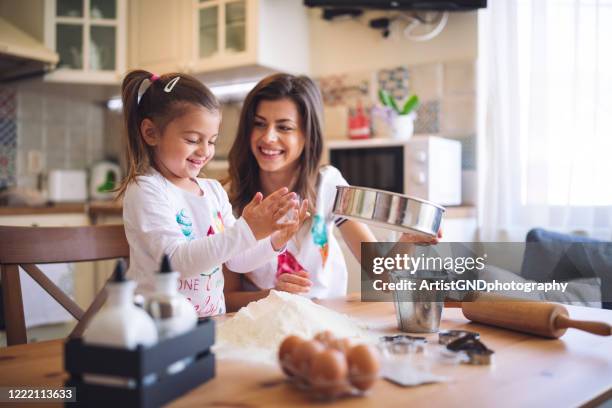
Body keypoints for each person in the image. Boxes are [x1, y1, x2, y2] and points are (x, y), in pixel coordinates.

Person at [223, 73, 440, 310]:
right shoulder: (227, 199)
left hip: (327, 318)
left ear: (307, 135)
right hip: (263, 324)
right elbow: (225, 298)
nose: (268, 137)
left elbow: (384, 278)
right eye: (259, 124)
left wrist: (408, 241)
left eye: (284, 127)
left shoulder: (329, 186)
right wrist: (273, 295)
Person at [117, 70, 303, 317]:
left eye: (212, 141)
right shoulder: (146, 190)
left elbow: (236, 260)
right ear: (151, 133)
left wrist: (273, 240)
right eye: (193, 139)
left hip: (211, 325)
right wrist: (247, 230)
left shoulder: (213, 191)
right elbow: (175, 262)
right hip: (158, 328)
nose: (205, 151)